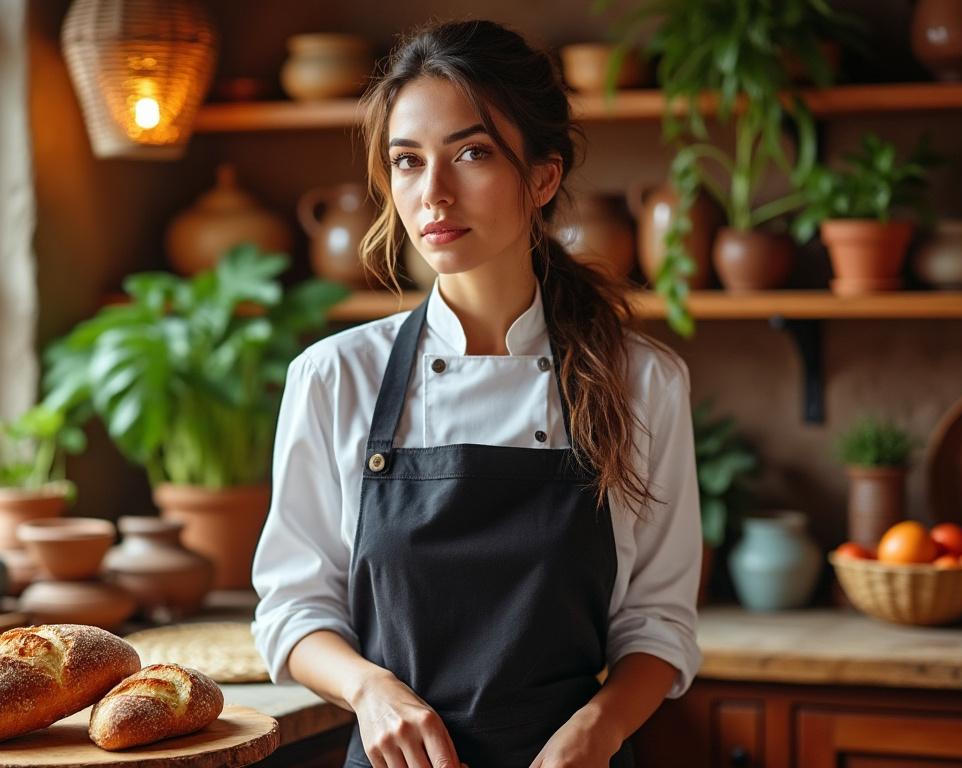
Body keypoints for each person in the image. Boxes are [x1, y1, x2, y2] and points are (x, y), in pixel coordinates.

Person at [252, 19, 701, 768]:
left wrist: (599, 731)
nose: (433, 193)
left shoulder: (642, 381)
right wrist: (370, 692)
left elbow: (658, 621)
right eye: (407, 161)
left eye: (471, 153)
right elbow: (295, 610)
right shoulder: (334, 378)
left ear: (543, 177)